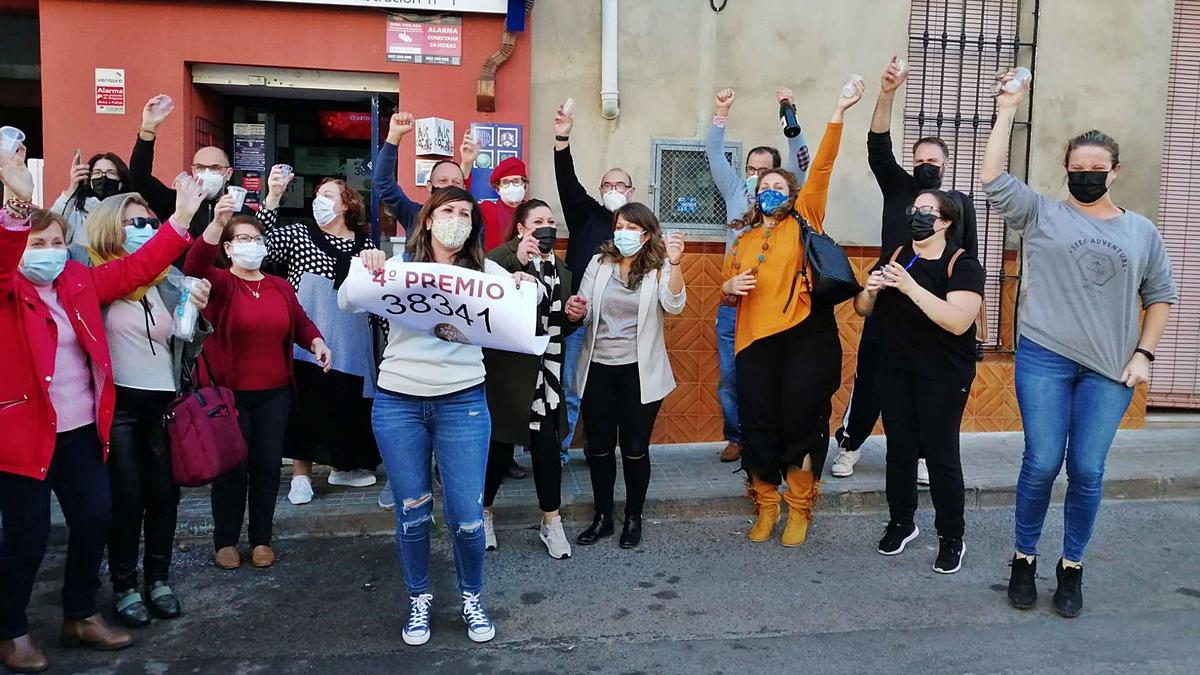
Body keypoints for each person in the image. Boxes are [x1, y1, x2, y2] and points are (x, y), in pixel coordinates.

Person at [0, 146, 205, 672]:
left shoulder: (76, 282)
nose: (46, 251)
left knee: (95, 519)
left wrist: (182, 217)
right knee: (27, 535)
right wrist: (19, 205)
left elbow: (140, 266)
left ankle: (79, 614)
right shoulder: (8, 288)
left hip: (82, 431)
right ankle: (13, 630)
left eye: (55, 243)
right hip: (24, 434)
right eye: (36, 243)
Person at [982, 73, 1177, 618]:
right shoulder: (1041, 213)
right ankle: (1023, 558)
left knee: (1087, 470)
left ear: (1115, 172)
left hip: (1110, 369)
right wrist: (1006, 109)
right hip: (1044, 356)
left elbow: (1161, 295)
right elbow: (992, 177)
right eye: (1078, 167)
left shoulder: (1141, 231)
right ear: (1065, 168)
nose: (1087, 176)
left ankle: (1072, 567)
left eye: (1097, 169)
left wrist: (1145, 353)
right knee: (1042, 462)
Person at [354, 187, 532, 646]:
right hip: (398, 404)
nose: (457, 219)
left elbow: (520, 319)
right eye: (448, 211)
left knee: (468, 516)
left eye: (466, 213)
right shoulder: (397, 267)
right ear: (428, 219)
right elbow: (347, 301)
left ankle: (472, 596)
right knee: (412, 513)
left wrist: (524, 289)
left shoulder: (489, 273)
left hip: (464, 404)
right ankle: (420, 598)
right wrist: (366, 266)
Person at [721, 80, 864, 547]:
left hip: (806, 338)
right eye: (763, 187)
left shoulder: (806, 217)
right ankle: (765, 504)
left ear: (792, 193)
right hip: (753, 343)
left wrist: (839, 109)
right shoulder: (741, 240)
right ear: (753, 193)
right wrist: (727, 285)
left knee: (803, 422)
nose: (770, 192)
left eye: (778, 186)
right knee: (758, 425)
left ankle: (800, 507)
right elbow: (726, 292)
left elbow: (820, 164)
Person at [831, 56, 981, 482]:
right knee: (871, 374)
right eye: (919, 159)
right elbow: (878, 141)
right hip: (888, 296)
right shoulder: (899, 186)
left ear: (945, 165)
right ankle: (850, 444)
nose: (924, 165)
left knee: (925, 384)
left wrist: (977, 323)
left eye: (932, 160)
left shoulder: (957, 206)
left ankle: (919, 456)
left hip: (935, 302)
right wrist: (887, 93)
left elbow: (969, 265)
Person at [82, 193, 214, 627]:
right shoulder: (93, 276)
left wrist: (194, 308)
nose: (144, 227)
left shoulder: (163, 277)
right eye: (134, 221)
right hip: (119, 403)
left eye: (149, 220)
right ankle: (123, 586)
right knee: (128, 497)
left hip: (163, 401)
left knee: (164, 496)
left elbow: (184, 339)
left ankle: (159, 580)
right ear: (109, 226)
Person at [184, 200, 331, 572]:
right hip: (229, 394)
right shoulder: (220, 282)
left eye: (258, 237)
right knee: (232, 469)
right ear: (230, 248)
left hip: (274, 392)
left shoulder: (279, 286)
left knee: (266, 467)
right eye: (243, 238)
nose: (253, 243)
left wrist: (316, 342)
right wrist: (217, 223)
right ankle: (226, 541)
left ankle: (262, 539)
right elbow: (194, 264)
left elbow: (300, 322)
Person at [853, 190, 984, 574]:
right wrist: (870, 291)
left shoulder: (962, 265)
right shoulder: (896, 255)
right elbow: (862, 310)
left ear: (944, 222)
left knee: (941, 457)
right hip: (894, 369)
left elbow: (958, 321)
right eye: (914, 209)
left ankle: (951, 536)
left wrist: (910, 287)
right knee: (900, 451)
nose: (917, 216)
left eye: (927, 211)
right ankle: (901, 522)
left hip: (943, 375)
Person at [256, 169, 381, 506]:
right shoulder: (298, 234)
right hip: (310, 335)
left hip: (353, 338)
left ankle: (345, 465)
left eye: (328, 196)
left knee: (348, 402)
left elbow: (377, 289)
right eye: (317, 195)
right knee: (306, 405)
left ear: (346, 205)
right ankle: (301, 476)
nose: (318, 201)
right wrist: (272, 197)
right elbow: (259, 244)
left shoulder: (365, 243)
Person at [567, 202, 687, 550]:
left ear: (647, 234)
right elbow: (585, 311)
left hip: (640, 371)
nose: (623, 233)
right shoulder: (599, 263)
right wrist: (577, 310)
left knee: (635, 448)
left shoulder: (660, 266)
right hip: (598, 369)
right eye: (619, 226)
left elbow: (674, 305)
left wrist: (676, 263)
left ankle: (633, 517)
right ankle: (603, 517)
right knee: (599, 449)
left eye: (632, 228)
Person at [707, 86, 812, 464]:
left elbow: (803, 157)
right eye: (750, 170)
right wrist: (721, 112)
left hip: (776, 305)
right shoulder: (736, 192)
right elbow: (714, 154)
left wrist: (788, 109)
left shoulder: (788, 199)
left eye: (763, 171)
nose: (755, 178)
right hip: (735, 302)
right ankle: (736, 436)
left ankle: (771, 438)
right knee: (730, 376)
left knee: (775, 377)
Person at [481, 199, 576, 559]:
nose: (546, 226)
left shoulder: (561, 268)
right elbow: (487, 294)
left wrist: (573, 316)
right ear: (521, 226)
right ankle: (484, 513)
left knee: (547, 448)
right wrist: (517, 261)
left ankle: (551, 521)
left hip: (547, 373)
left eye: (551, 220)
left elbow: (560, 325)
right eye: (537, 220)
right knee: (498, 448)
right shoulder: (501, 257)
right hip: (509, 372)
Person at [552, 103, 632, 463]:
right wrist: (562, 137)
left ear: (630, 191)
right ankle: (559, 450)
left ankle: (604, 449)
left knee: (610, 390)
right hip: (579, 317)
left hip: (621, 324)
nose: (614, 189)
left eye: (620, 184)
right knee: (569, 385)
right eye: (608, 184)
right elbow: (567, 183)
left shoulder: (639, 227)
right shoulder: (586, 215)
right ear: (601, 190)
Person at [129, 95, 249, 242]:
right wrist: (148, 129)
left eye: (215, 168)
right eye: (200, 167)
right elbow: (139, 179)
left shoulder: (242, 213)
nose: (206, 173)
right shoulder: (175, 203)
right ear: (192, 170)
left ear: (228, 173)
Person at [372, 112, 479, 236]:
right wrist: (394, 136)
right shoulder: (414, 215)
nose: (450, 186)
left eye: (456, 183)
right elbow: (383, 183)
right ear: (429, 185)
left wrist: (467, 162)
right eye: (442, 181)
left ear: (463, 188)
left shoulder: (471, 222)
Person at [51, 151, 132, 250]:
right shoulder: (78, 212)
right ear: (90, 180)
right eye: (97, 172)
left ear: (121, 181)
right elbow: (53, 224)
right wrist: (72, 189)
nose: (103, 177)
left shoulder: (130, 211)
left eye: (111, 172)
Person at [481, 156, 530, 252]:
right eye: (505, 182)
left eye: (516, 181)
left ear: (525, 186)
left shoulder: (533, 210)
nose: (511, 186)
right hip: (494, 263)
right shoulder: (487, 209)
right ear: (498, 189)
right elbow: (459, 201)